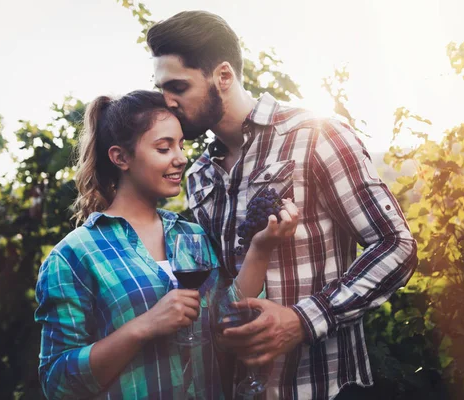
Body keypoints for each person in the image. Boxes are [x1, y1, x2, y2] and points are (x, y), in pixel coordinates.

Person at [147, 11, 418, 399]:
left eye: (178, 87)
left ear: (223, 76)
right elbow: (223, 286)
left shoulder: (315, 135)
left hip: (324, 386)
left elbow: (397, 246)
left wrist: (302, 319)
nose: (168, 102)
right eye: (162, 89)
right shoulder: (199, 175)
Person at [34, 90, 298, 399]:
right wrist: (142, 327)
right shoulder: (74, 256)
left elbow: (228, 323)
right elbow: (57, 382)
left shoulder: (191, 235)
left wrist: (261, 248)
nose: (181, 158)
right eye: (164, 147)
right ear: (120, 157)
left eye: (181, 145)